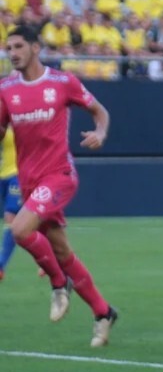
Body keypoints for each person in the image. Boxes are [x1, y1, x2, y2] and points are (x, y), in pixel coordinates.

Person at [0, 24, 118, 346]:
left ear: (35, 48)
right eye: (8, 48)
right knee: (62, 250)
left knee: (19, 230)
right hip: (28, 183)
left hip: (59, 176)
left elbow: (99, 111)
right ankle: (103, 312)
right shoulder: (5, 89)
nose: (12, 53)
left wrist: (101, 132)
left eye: (18, 46)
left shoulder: (62, 82)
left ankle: (58, 283)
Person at [0, 128, 18, 281]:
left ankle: (1, 264)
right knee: (28, 225)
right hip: (3, 174)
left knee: (10, 216)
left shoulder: (24, 116)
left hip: (19, 173)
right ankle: (52, 261)